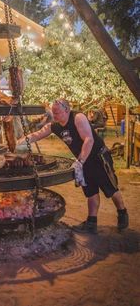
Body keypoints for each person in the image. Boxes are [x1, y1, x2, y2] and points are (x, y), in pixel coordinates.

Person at [17, 98, 129, 234]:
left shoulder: (78, 118)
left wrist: (79, 162)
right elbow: (37, 134)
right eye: (53, 112)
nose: (54, 115)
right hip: (83, 162)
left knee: (110, 188)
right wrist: (18, 143)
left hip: (99, 158)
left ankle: (122, 213)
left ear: (67, 109)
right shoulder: (55, 125)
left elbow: (89, 139)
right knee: (90, 191)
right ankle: (91, 222)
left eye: (57, 112)